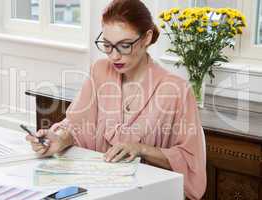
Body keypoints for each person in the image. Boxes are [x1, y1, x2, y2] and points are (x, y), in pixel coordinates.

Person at [26, 0, 206, 199]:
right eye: (107, 45)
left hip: (146, 193)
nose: (114, 56)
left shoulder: (176, 90)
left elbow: (190, 161)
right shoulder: (100, 71)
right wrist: (59, 139)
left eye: (124, 46)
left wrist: (141, 149)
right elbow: (78, 126)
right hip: (96, 190)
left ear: (146, 38)